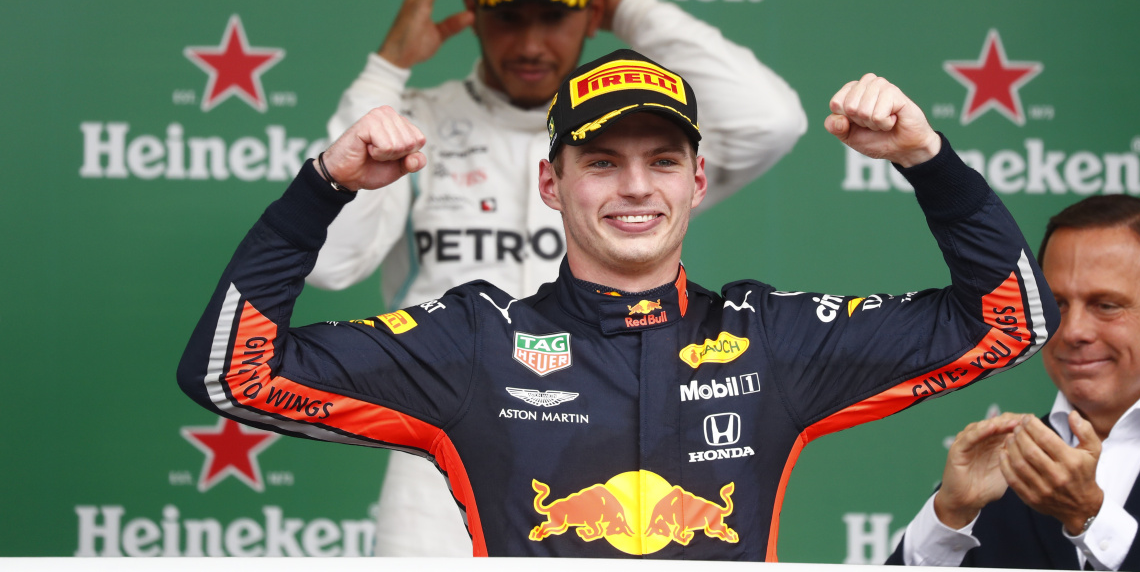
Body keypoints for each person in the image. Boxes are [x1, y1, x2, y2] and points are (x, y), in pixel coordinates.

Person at [179, 55, 1057, 560]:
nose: (636, 187)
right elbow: (231, 374)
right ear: (550, 183)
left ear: (698, 182)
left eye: (662, 161)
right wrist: (322, 187)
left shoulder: (769, 339)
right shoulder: (474, 340)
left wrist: (927, 159)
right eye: (601, 162)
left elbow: (1009, 321)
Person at [305, 0, 807, 555]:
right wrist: (386, 67)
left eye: (556, 16)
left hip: (607, 463)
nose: (531, 43)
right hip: (439, 467)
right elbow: (331, 262)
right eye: (508, 16)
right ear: (473, 12)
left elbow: (771, 120)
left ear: (591, 12)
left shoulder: (638, 151)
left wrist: (624, 3)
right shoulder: (416, 121)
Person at [889, 195, 1140, 570]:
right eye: (1056, 305)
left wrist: (1090, 517)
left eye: (1106, 305)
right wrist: (949, 516)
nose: (1073, 331)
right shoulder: (999, 468)